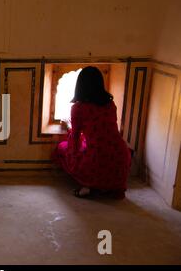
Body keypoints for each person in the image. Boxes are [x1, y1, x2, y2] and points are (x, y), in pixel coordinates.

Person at [53, 66, 131, 199]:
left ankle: (89, 184)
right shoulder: (110, 104)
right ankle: (107, 188)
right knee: (93, 148)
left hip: (96, 159)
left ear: (80, 86)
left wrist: (68, 127)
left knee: (61, 149)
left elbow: (76, 137)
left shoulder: (78, 108)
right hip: (121, 156)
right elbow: (104, 130)